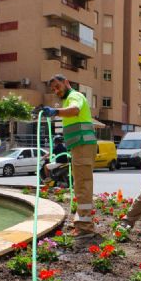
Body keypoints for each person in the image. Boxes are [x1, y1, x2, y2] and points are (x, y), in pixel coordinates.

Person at [41, 74, 97, 239]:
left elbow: (75, 110)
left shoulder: (74, 96)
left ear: (67, 82)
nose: (56, 91)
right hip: (79, 147)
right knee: (80, 185)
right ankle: (82, 222)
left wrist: (56, 111)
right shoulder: (68, 100)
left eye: (58, 86)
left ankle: (85, 228)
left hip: (83, 146)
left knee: (83, 185)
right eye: (53, 89)